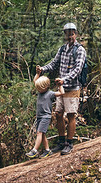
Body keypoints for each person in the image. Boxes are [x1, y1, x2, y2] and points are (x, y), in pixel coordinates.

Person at [36, 22, 86, 155]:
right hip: (61, 88)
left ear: (75, 34)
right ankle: (61, 141)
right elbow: (54, 63)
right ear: (65, 34)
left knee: (70, 115)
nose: (70, 35)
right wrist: (42, 69)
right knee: (58, 114)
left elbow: (77, 70)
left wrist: (65, 79)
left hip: (72, 87)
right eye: (67, 33)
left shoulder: (80, 50)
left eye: (72, 33)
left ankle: (69, 143)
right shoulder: (63, 49)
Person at [25, 76, 58, 159]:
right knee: (42, 134)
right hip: (39, 116)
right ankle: (47, 150)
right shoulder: (40, 92)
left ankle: (34, 151)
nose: (38, 90)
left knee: (39, 133)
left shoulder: (50, 93)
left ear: (45, 87)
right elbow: (35, 81)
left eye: (39, 88)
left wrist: (60, 85)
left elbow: (62, 93)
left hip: (46, 117)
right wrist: (37, 73)